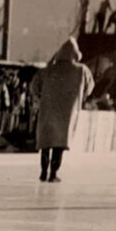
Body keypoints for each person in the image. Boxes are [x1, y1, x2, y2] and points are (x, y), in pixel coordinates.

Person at [30, 37, 95, 182]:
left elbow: (34, 86)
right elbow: (90, 88)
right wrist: (80, 96)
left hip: (48, 111)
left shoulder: (47, 70)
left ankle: (43, 171)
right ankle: (53, 173)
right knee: (59, 144)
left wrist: (42, 96)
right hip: (66, 113)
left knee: (46, 143)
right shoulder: (82, 70)